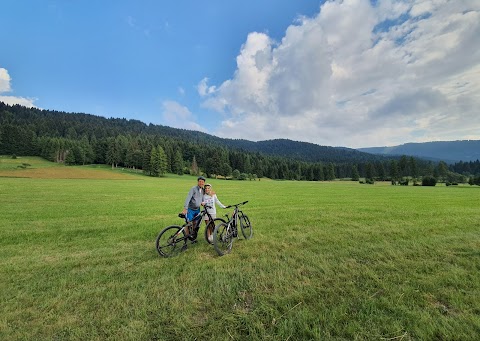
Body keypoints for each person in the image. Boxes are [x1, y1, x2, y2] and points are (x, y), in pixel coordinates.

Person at [181, 176, 206, 241]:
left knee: (195, 223)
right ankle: (185, 240)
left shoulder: (203, 190)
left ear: (204, 183)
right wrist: (185, 208)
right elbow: (188, 198)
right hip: (190, 209)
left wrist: (203, 202)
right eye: (200, 181)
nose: (201, 183)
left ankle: (192, 237)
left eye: (202, 182)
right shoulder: (193, 189)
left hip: (197, 210)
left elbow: (202, 198)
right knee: (188, 224)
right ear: (198, 182)